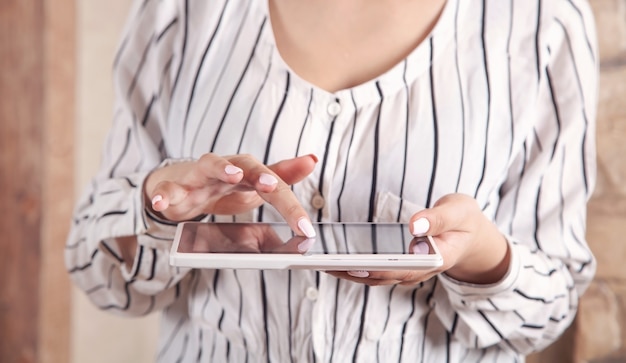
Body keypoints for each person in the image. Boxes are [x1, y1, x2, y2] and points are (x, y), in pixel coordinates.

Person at [65, 0, 599, 361]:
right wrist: (157, 211)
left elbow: (550, 307)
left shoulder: (542, 22)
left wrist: (484, 258)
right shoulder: (181, 10)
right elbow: (100, 274)